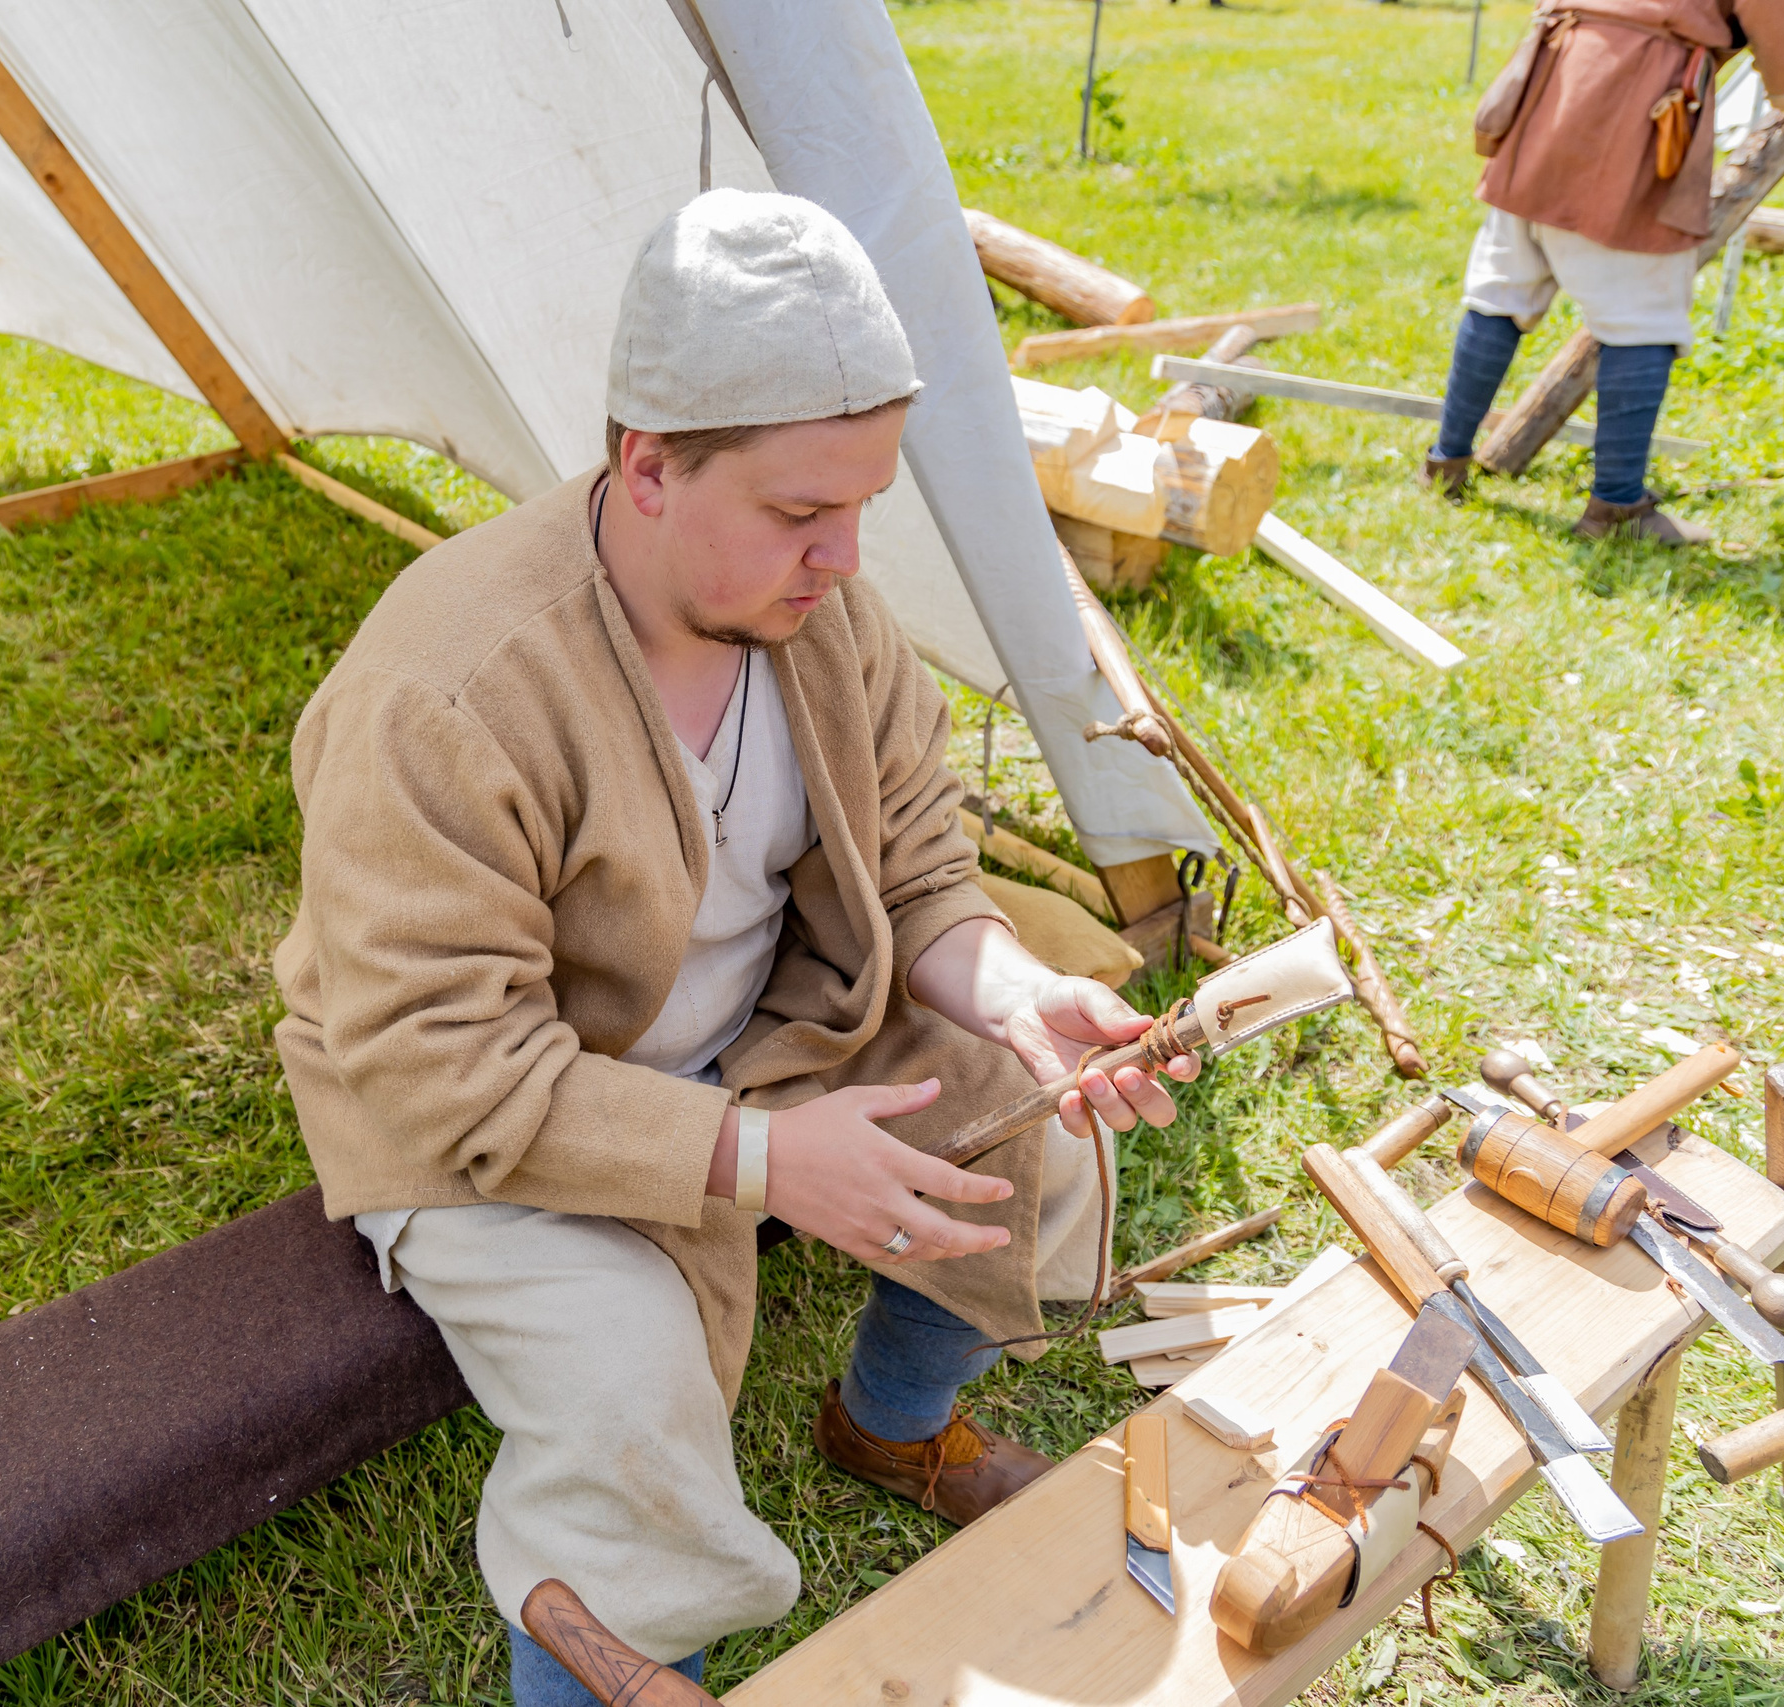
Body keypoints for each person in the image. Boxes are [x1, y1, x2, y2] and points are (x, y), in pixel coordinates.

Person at [273, 190, 1194, 1702]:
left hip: (758, 1034)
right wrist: (761, 1162)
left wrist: (1017, 991)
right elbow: (438, 1061)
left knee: (1035, 1129)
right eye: (797, 512)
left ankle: (891, 1426)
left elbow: (915, 863)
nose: (841, 556)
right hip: (482, 1118)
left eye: (863, 507)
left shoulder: (823, 614)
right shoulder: (444, 690)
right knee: (627, 1385)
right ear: (648, 464)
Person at [1425, 0, 1784, 542]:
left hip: (1555, 78)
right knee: (1643, 318)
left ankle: (1445, 463)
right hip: (1632, 100)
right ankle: (1618, 509)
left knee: (1504, 287)